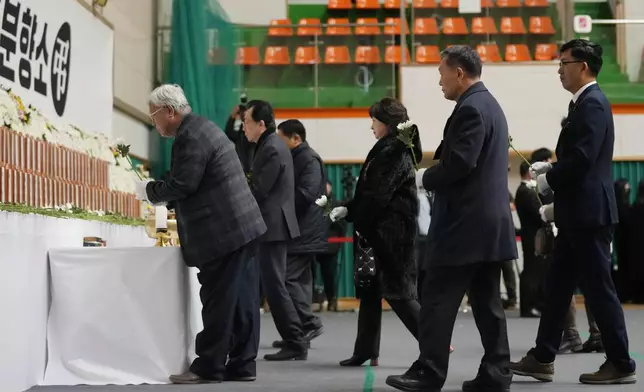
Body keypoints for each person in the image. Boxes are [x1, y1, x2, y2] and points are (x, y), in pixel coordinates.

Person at [386, 45, 517, 392]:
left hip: (465, 227)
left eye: (441, 73)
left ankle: (428, 372)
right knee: (488, 305)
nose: (439, 81)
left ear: (459, 73)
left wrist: (421, 178)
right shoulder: (489, 104)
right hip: (487, 226)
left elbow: (460, 163)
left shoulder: (472, 109)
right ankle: (497, 374)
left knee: (436, 301)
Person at [510, 39, 637, 385]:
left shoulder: (592, 104)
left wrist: (549, 177)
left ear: (583, 66)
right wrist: (551, 173)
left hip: (589, 215)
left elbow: (581, 160)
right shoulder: (583, 104)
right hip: (577, 214)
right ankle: (543, 355)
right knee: (557, 287)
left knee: (599, 290)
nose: (559, 70)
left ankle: (622, 363)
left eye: (563, 63)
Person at [136, 84, 267, 384]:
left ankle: (208, 366)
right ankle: (243, 364)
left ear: (169, 111)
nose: (153, 124)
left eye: (154, 116)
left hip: (224, 231)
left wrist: (150, 191)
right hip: (243, 226)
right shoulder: (202, 127)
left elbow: (184, 184)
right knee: (243, 298)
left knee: (218, 298)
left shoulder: (189, 136)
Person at [329, 97, 422, 368]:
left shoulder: (394, 151)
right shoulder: (390, 147)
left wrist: (352, 212)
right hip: (381, 231)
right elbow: (370, 194)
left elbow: (377, 196)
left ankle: (435, 342)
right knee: (371, 293)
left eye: (375, 121)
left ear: (387, 124)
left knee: (400, 294)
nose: (371, 126)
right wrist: (349, 209)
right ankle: (366, 350)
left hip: (390, 234)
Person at [242, 100, 305, 361]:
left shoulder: (270, 148)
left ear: (261, 124)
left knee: (275, 285)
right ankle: (295, 340)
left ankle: (296, 341)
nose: (243, 126)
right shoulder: (270, 145)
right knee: (274, 285)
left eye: (246, 121)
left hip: (273, 225)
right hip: (274, 224)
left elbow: (259, 189)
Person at [271, 119, 327, 349]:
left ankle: (308, 322)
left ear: (296, 138)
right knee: (300, 281)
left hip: (304, 229)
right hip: (301, 228)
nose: (278, 144)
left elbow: (306, 194)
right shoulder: (297, 157)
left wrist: (278, 205)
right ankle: (298, 330)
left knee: (286, 278)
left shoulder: (308, 159)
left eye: (281, 139)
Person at [514, 161, 543, 318]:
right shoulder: (525, 191)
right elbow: (537, 213)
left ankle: (536, 303)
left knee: (537, 270)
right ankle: (528, 305)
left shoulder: (529, 190)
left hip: (535, 234)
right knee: (531, 270)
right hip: (531, 235)